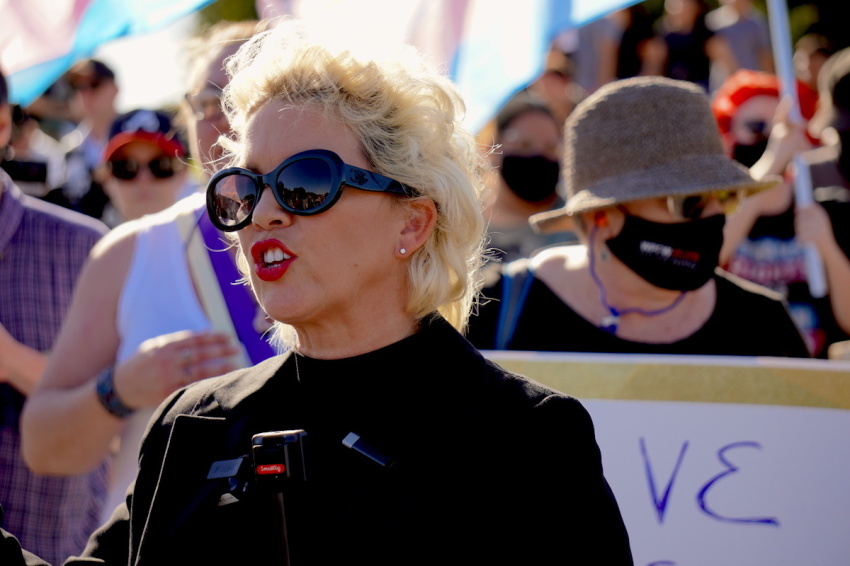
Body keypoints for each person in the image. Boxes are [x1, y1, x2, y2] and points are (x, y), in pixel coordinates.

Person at [56, 19, 632, 565]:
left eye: (306, 182)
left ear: (412, 222)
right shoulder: (193, 427)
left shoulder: (525, 440)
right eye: (247, 187)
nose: (265, 213)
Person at [20, 20, 275, 526]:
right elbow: (44, 447)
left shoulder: (361, 243)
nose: (224, 119)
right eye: (205, 103)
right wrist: (121, 389)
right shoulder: (130, 254)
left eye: (252, 95)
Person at [465, 76, 809, 357]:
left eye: (725, 196)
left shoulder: (763, 326)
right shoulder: (497, 311)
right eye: (689, 203)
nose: (716, 217)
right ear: (604, 216)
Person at [0, 67, 110, 566]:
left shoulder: (85, 249)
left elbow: (119, 407)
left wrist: (13, 362)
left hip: (52, 548)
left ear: (3, 124)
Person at [710, 69, 849, 357]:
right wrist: (769, 166)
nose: (775, 139)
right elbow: (709, 256)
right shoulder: (713, 207)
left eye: (782, 130)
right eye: (758, 126)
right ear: (728, 131)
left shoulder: (828, 209)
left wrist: (828, 246)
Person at [481, 92, 575, 263]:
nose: (538, 157)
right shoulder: (462, 226)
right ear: (492, 149)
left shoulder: (578, 224)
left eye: (551, 148)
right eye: (524, 145)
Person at [98, 108, 193, 226]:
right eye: (127, 167)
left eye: (160, 165)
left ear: (183, 173)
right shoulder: (88, 241)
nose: (144, 178)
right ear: (107, 179)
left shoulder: (213, 239)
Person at [59, 59, 120, 220]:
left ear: (115, 89)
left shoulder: (140, 141)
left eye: (94, 84)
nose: (85, 94)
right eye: (77, 87)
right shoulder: (68, 149)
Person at [648, 0, 739, 92]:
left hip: (699, 93)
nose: (680, 7)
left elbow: (730, 67)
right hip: (669, 94)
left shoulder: (706, 36)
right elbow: (652, 70)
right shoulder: (661, 36)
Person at [706, 0, 774, 74]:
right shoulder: (712, 21)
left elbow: (764, 55)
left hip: (751, 78)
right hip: (723, 80)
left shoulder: (758, 22)